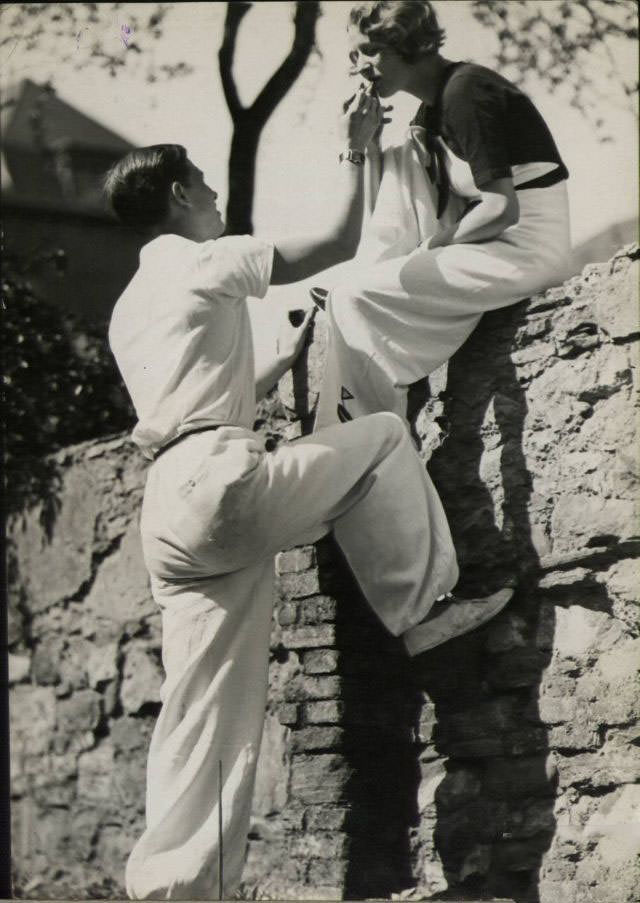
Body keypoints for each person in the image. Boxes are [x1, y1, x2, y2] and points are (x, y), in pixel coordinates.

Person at [105, 87, 510, 900]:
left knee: (201, 712)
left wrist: (285, 352)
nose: (217, 196)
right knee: (384, 440)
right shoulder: (205, 257)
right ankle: (423, 609)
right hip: (221, 483)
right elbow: (335, 240)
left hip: (170, 510)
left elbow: (191, 393)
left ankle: (170, 887)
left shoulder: (127, 306)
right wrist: (355, 149)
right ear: (179, 195)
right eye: (206, 186)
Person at [315, 0, 571, 429]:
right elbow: (403, 196)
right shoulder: (431, 111)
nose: (358, 68)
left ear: (405, 44)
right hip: (490, 244)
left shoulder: (466, 91)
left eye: (368, 51)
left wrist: (427, 250)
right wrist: (363, 145)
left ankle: (371, 444)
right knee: (352, 295)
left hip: (526, 247)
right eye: (353, 57)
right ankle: (367, 438)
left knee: (353, 297)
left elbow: (502, 208)